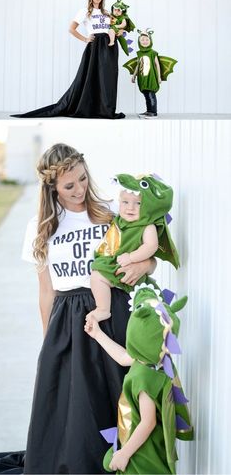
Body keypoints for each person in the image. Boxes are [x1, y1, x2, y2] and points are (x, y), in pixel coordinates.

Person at [20, 143, 156, 474]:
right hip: (68, 319)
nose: (79, 189)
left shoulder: (112, 213)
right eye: (69, 186)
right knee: (77, 408)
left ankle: (126, 462)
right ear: (52, 187)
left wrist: (146, 265)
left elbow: (147, 259)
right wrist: (48, 342)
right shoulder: (40, 227)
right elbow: (46, 290)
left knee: (118, 394)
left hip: (113, 310)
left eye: (83, 179)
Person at [84, 284, 193, 474]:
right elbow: (124, 357)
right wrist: (98, 335)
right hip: (138, 448)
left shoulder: (144, 378)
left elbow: (148, 422)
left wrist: (124, 454)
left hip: (141, 457)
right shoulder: (148, 363)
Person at [11, 0, 125, 119]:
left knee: (107, 78)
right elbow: (71, 29)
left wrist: (119, 32)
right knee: (89, 77)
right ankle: (88, 108)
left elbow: (113, 28)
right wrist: (85, 39)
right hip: (94, 46)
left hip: (109, 46)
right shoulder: (84, 11)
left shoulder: (106, 13)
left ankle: (105, 109)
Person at [87, 172, 180, 325]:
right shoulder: (119, 220)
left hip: (125, 268)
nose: (131, 208)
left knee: (97, 276)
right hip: (116, 264)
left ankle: (103, 309)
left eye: (138, 203)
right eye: (125, 202)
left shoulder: (146, 225)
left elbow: (151, 246)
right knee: (97, 274)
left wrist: (131, 257)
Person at [123, 29, 177, 119]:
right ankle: (148, 111)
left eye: (147, 40)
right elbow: (138, 65)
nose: (145, 42)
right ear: (139, 42)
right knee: (146, 94)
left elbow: (157, 65)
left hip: (151, 77)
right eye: (142, 40)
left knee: (151, 94)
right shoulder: (139, 53)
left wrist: (159, 77)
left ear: (150, 41)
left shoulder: (153, 53)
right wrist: (134, 75)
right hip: (142, 77)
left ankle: (153, 112)